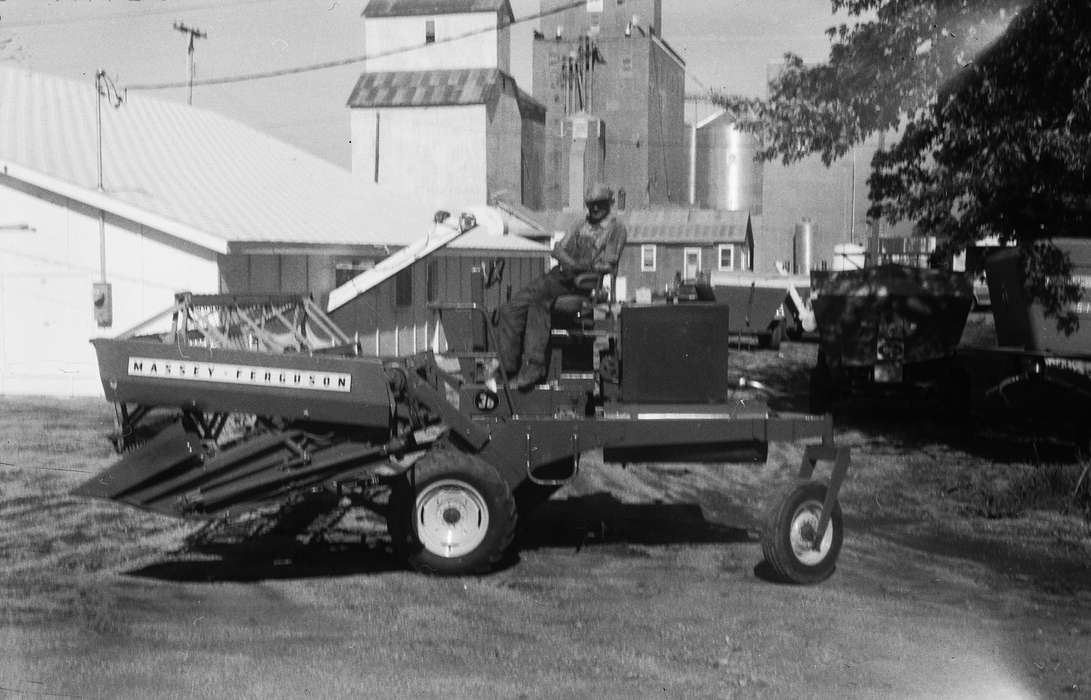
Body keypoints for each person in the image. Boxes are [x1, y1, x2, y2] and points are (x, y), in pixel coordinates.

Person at [496, 183, 628, 390]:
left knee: (539, 302)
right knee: (510, 309)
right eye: (590, 204)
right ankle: (507, 368)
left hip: (580, 284)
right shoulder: (579, 223)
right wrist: (571, 262)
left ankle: (533, 367)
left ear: (609, 203)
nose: (594, 209)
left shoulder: (615, 228)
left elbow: (607, 264)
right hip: (558, 277)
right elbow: (557, 250)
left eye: (599, 204)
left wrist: (577, 265)